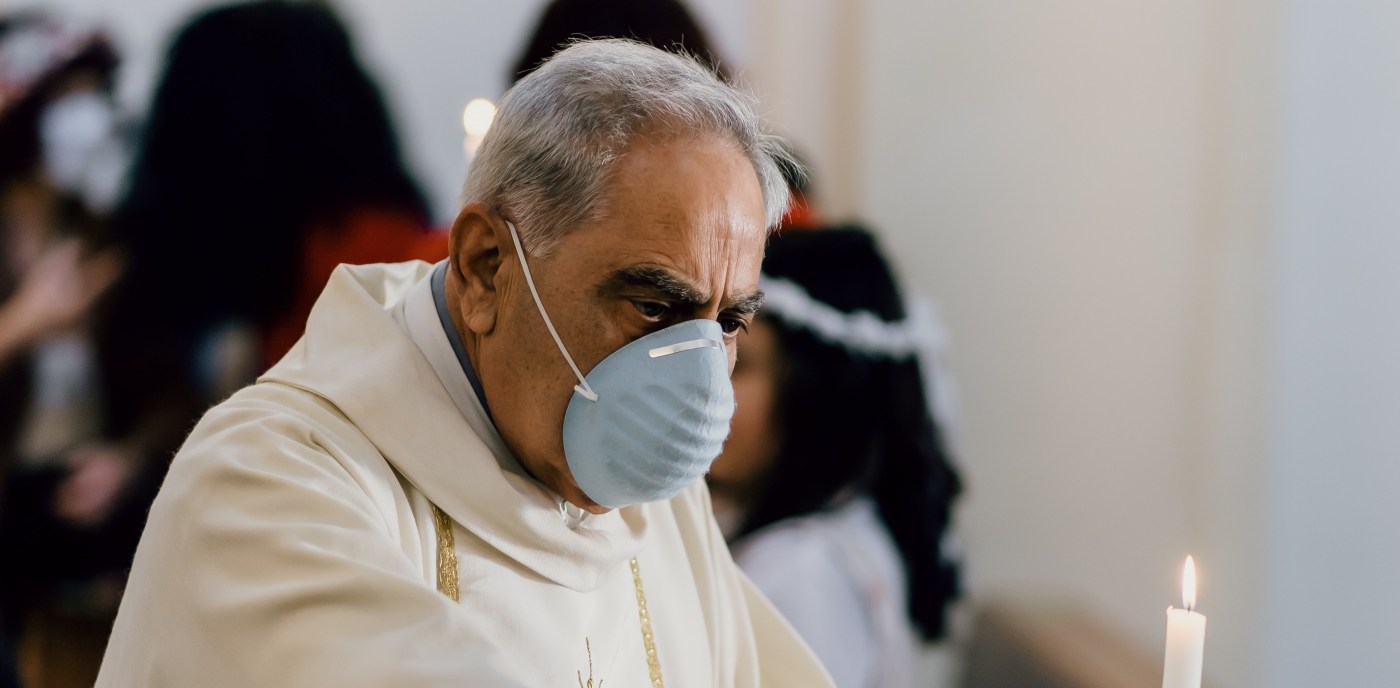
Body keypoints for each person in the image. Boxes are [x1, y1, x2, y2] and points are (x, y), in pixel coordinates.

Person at [95, 39, 832, 687]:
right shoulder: (267, 479)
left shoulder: (658, 500)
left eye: (728, 321)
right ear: (485, 268)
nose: (694, 379)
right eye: (652, 308)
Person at [708, 227, 963, 687]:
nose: (709, 389)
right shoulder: (849, 523)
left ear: (819, 392)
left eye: (739, 364)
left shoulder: (798, 571)